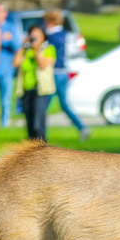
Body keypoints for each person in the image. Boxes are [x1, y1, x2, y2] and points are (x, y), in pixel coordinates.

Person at [43, 10, 89, 142]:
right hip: (64, 72)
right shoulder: (67, 35)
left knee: (44, 105)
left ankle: (40, 134)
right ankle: (82, 128)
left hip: (54, 73)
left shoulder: (52, 36)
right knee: (64, 104)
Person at [14, 26, 56, 141]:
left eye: (38, 35)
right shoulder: (26, 51)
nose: (35, 38)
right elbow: (16, 63)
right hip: (26, 90)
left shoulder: (48, 49)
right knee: (30, 125)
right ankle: (32, 153)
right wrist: (23, 46)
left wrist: (37, 50)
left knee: (38, 125)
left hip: (40, 91)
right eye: (33, 36)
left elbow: (42, 65)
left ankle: (43, 149)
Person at [0, 3, 18, 128]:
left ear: (5, 13)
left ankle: (4, 124)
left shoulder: (10, 27)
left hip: (6, 69)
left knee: (5, 99)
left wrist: (9, 40)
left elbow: (18, 47)